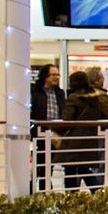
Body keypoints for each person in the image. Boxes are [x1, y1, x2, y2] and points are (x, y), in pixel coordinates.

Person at [60, 68, 108, 189]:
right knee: (84, 168)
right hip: (90, 137)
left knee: (72, 170)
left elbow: (66, 120)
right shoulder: (96, 97)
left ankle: (73, 197)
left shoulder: (73, 98)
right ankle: (96, 193)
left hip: (74, 140)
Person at [30, 63, 65, 191]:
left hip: (55, 135)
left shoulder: (60, 93)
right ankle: (34, 192)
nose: (56, 77)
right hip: (38, 134)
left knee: (48, 166)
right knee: (37, 166)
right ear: (45, 76)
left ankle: (45, 192)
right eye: (53, 74)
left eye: (57, 74)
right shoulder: (34, 91)